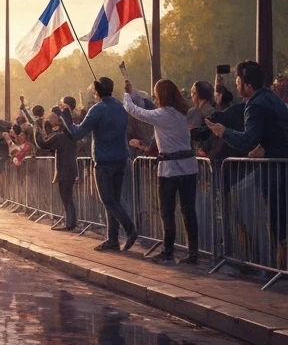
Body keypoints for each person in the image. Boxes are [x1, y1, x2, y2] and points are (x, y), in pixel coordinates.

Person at [206, 60, 288, 264]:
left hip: (276, 169)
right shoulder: (270, 98)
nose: (236, 84)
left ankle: (264, 264)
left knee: (275, 220)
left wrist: (222, 131)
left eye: (238, 80)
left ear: (248, 85)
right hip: (278, 163)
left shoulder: (255, 105)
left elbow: (248, 139)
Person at [123, 79, 200, 264]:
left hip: (170, 169)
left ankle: (168, 252)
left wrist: (126, 95)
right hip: (189, 167)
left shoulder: (161, 115)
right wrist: (133, 90)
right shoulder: (180, 115)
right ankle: (193, 253)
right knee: (188, 211)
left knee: (167, 211)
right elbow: (144, 106)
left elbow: (136, 111)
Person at [60, 77, 137, 253]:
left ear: (96, 92)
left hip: (104, 160)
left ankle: (130, 229)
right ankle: (112, 240)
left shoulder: (97, 109)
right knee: (114, 201)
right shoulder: (119, 106)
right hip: (121, 157)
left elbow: (77, 133)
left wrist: (65, 115)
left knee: (108, 200)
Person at [23, 97, 77, 231]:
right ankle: (70, 221)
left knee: (66, 197)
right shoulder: (70, 134)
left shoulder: (61, 135)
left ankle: (70, 223)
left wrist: (36, 128)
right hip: (70, 169)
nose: (50, 120)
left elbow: (43, 144)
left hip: (65, 170)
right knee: (67, 197)